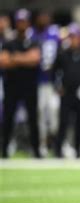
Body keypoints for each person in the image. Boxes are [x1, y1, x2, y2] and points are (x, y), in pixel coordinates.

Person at [0, 9, 41, 158]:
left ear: (28, 23)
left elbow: (35, 59)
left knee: (33, 119)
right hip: (12, 85)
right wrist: (25, 58)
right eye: (19, 21)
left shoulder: (34, 40)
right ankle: (4, 150)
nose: (22, 24)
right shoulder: (9, 42)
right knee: (8, 118)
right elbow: (3, 61)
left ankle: (36, 150)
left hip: (29, 86)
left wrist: (15, 58)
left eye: (24, 21)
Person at [52, 24, 80, 158]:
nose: (74, 40)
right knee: (63, 122)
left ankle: (78, 150)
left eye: (76, 37)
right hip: (66, 93)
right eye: (71, 37)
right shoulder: (63, 54)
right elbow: (54, 72)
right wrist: (57, 87)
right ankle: (58, 150)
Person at [33, 10, 61, 157]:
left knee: (55, 112)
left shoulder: (56, 33)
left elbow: (61, 57)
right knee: (40, 113)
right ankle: (42, 144)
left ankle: (57, 143)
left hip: (53, 82)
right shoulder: (33, 34)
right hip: (38, 81)